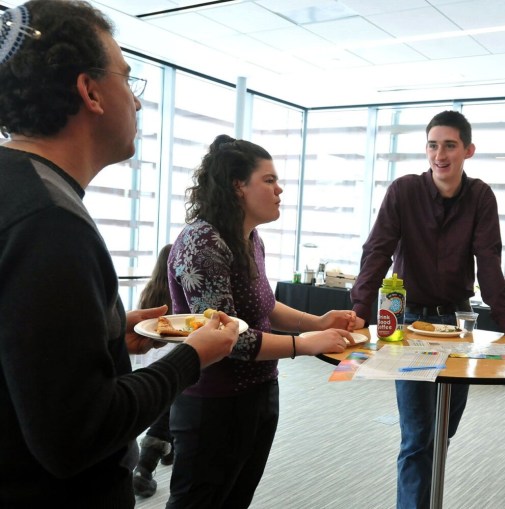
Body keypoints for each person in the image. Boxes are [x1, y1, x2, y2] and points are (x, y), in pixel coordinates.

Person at [0, 1, 238, 507]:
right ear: (90, 91)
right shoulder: (51, 222)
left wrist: (104, 334)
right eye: (128, 80)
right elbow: (77, 435)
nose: (137, 101)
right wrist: (189, 358)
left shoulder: (16, 189)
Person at [349, 110, 505, 509]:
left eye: (450, 145)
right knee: (419, 435)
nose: (440, 154)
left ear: (468, 150)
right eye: (433, 145)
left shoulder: (480, 196)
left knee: (445, 425)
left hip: (457, 323)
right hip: (411, 322)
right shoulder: (403, 191)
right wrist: (358, 310)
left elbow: (489, 261)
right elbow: (377, 252)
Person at [166, 134, 357, 508]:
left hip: (259, 392)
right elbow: (229, 340)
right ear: (238, 186)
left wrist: (317, 322)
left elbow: (265, 306)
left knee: (236, 499)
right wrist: (303, 345)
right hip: (213, 404)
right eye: (269, 180)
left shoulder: (250, 238)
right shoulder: (204, 242)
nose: (279, 189)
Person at [133, 244, 176, 498]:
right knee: (175, 404)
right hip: (175, 364)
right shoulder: (183, 294)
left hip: (146, 363)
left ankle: (167, 451)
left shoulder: (150, 292)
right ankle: (145, 467)